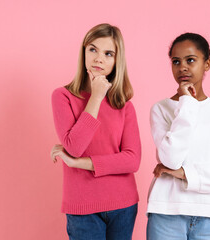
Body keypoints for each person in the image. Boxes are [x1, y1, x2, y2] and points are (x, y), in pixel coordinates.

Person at [146, 33, 210, 240]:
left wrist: (185, 173)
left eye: (190, 60)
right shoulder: (161, 109)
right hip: (166, 212)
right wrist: (187, 103)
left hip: (209, 215)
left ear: (207, 64)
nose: (182, 67)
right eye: (176, 62)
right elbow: (170, 159)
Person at [50, 23, 141, 240]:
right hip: (82, 207)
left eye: (108, 53)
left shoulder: (124, 105)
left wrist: (80, 164)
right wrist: (96, 97)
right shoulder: (62, 97)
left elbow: (132, 160)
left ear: (117, 61)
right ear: (83, 52)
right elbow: (74, 146)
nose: (99, 58)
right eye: (93, 49)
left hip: (124, 205)